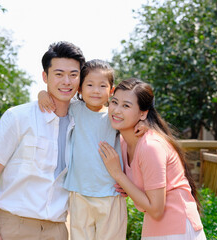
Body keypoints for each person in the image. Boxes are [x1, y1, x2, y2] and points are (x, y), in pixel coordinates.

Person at [0, 41, 85, 240]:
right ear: (45, 76)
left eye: (73, 75)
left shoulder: (81, 121)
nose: (67, 81)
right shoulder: (18, 117)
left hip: (58, 230)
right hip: (12, 227)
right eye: (59, 74)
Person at [39, 60, 143, 240]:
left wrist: (145, 125)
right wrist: (42, 93)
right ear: (79, 88)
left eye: (102, 85)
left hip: (111, 193)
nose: (96, 90)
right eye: (90, 85)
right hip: (80, 192)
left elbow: (136, 133)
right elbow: (53, 98)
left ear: (111, 90)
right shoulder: (74, 109)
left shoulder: (116, 115)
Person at [98, 78, 207, 240]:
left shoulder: (151, 146)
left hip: (178, 229)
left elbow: (156, 210)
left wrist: (118, 175)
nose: (116, 110)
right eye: (114, 102)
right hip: (154, 229)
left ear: (143, 113)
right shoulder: (122, 143)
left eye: (126, 105)